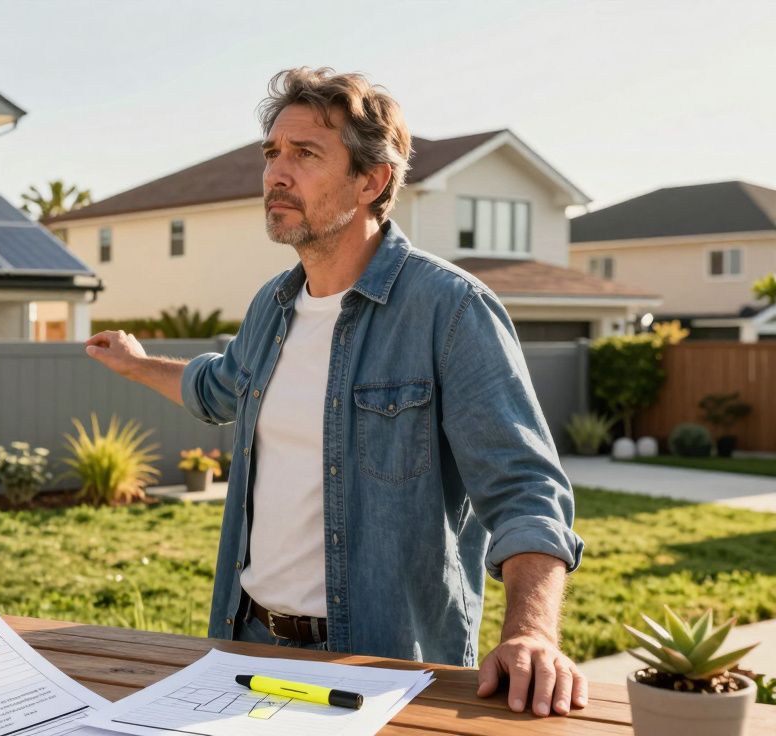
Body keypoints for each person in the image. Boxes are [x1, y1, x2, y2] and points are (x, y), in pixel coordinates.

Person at [83, 67, 587, 718]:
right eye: (272, 153)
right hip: (247, 648)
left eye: (305, 154)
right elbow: (221, 389)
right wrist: (137, 363)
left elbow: (525, 491)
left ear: (372, 180)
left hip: (382, 667)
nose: (275, 173)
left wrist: (531, 635)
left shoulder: (450, 310)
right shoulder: (275, 304)